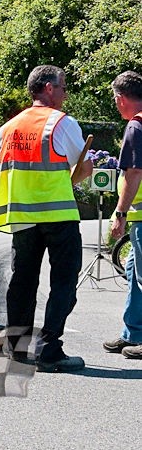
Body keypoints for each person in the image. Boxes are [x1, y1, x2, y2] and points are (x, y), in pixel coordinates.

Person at [0, 65, 93, 372]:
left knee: (21, 281)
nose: (64, 93)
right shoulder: (61, 123)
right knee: (63, 281)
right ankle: (49, 350)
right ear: (48, 88)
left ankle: (16, 347)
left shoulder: (6, 129)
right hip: (58, 215)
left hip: (22, 216)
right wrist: (68, 183)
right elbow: (84, 167)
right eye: (62, 87)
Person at [102, 70, 142, 358]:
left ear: (121, 99)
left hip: (140, 214)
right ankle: (132, 333)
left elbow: (134, 171)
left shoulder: (136, 127)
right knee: (132, 272)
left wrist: (120, 212)